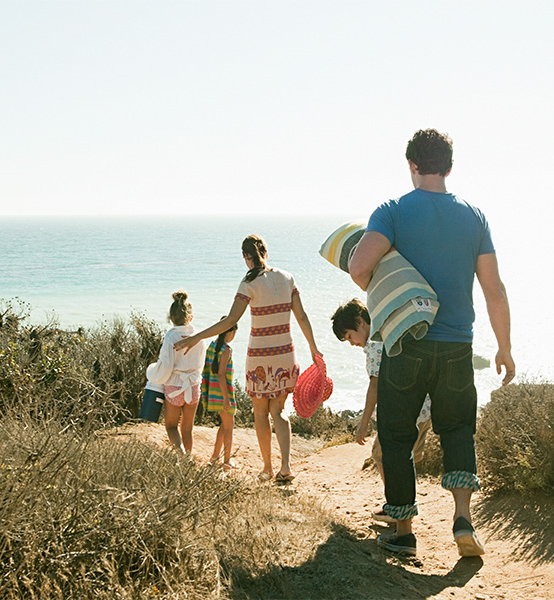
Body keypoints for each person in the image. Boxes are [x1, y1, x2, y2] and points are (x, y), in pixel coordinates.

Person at [349, 129, 515, 558]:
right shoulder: (474, 217)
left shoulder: (394, 212)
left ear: (412, 165)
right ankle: (463, 520)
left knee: (398, 433)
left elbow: (359, 266)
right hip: (458, 344)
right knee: (458, 429)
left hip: (406, 344)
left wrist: (388, 285)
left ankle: (403, 530)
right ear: (449, 166)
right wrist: (505, 347)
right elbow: (494, 289)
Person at [174, 234, 321, 482]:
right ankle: (286, 467)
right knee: (279, 411)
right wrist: (314, 349)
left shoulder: (248, 283)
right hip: (285, 353)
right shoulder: (287, 278)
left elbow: (231, 321)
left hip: (260, 357)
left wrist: (195, 337)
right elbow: (302, 317)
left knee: (260, 412)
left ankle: (267, 468)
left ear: (246, 257)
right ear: (265, 250)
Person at [331, 298, 432, 524]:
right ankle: (402, 505)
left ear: (360, 322)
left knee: (382, 456)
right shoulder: (390, 327)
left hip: (403, 413)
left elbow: (375, 385)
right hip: (423, 408)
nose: (351, 343)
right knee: (408, 459)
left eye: (349, 336)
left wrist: (363, 422)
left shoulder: (375, 344)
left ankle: (396, 507)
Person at [145, 290, 206, 454]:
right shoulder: (199, 337)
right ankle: (188, 457)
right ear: (190, 317)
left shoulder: (170, 337)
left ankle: (180, 454)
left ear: (171, 318)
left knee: (171, 426)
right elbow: (201, 365)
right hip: (193, 386)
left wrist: (151, 372)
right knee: (187, 428)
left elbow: (165, 366)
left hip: (174, 387)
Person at [201, 320, 238, 470]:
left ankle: (215, 457)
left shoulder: (212, 345)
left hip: (213, 393)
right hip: (222, 393)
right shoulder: (226, 350)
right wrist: (227, 398)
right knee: (229, 426)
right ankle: (226, 461)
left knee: (224, 425)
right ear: (230, 332)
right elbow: (221, 375)